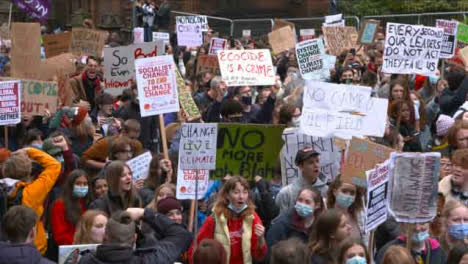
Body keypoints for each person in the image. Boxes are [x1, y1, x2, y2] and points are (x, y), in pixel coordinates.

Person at [189, 176, 267, 264]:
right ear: (227, 195)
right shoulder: (214, 219)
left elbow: (259, 256)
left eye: (245, 192)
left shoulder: (252, 217)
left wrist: (261, 239)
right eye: (236, 192)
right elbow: (196, 250)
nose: (241, 197)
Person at [78, 208, 192, 264]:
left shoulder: (87, 260)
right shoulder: (150, 260)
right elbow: (182, 235)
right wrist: (144, 213)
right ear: (134, 238)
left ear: (105, 237)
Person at [3, 148, 61, 255]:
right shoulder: (32, 192)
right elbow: (54, 165)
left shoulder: (3, 189)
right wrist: (30, 151)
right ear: (29, 170)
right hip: (33, 247)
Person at [276, 147, 328, 214]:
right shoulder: (286, 193)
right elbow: (280, 221)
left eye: (317, 161)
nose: (316, 165)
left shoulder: (326, 190)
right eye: (311, 162)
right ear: (301, 167)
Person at [116, 84, 161, 153]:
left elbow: (154, 130)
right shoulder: (125, 110)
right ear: (135, 91)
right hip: (130, 150)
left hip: (147, 150)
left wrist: (154, 150)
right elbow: (120, 131)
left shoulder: (152, 109)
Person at [375, 222, 447, 264]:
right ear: (403, 224)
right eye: (413, 223)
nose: (417, 228)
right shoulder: (388, 251)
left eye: (422, 223)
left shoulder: (438, 251)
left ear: (429, 223)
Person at [50, 170, 88, 245]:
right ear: (70, 185)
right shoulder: (59, 205)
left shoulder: (86, 202)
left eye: (85, 184)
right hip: (70, 248)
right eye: (78, 183)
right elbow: (60, 235)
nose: (82, 186)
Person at [327, 177, 367, 243]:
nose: (348, 195)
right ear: (335, 192)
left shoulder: (359, 217)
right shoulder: (326, 216)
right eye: (344, 191)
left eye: (352, 193)